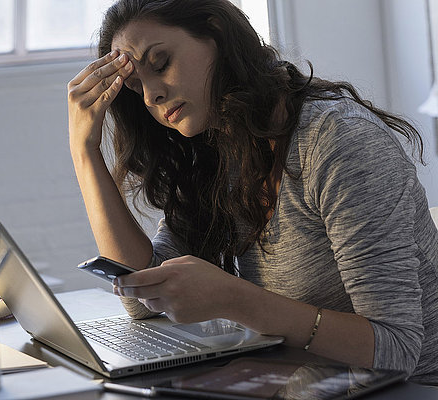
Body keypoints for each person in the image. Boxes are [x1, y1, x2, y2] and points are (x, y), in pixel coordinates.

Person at [67, 0, 438, 385]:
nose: (150, 96)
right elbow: (141, 295)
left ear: (217, 34)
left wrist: (235, 299)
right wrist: (84, 151)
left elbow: (397, 350)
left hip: (414, 386)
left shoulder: (340, 143)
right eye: (135, 85)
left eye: (160, 63)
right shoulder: (218, 147)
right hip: (311, 383)